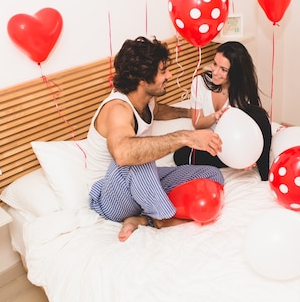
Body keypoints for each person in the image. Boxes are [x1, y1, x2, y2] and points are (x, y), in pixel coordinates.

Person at [87, 36, 225, 242]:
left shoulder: (146, 100)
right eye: (163, 71)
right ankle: (161, 218)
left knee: (211, 175)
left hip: (137, 188)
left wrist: (193, 114)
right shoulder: (117, 109)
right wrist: (186, 137)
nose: (169, 75)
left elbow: (160, 111)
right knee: (138, 156)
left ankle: (142, 219)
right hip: (111, 196)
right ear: (142, 79)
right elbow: (124, 155)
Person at [173, 41, 272, 181]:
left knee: (261, 117)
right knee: (180, 155)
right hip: (211, 144)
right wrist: (215, 116)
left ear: (235, 72)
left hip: (230, 141)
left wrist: (247, 152)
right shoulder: (199, 83)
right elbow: (197, 123)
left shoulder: (241, 91)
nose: (215, 72)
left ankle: (265, 177)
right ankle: (232, 161)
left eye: (223, 69)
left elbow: (249, 127)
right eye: (214, 64)